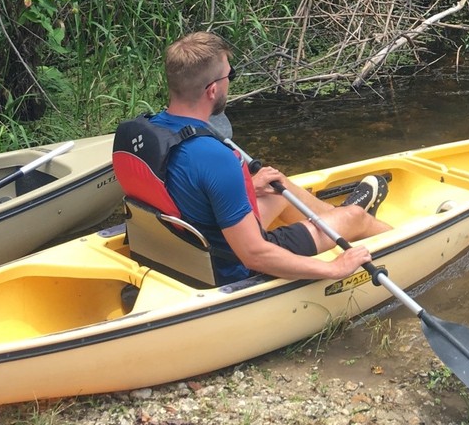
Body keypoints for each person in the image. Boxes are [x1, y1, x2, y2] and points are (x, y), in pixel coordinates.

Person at [150, 31, 390, 285]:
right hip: (229, 262)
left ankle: (337, 218)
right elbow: (255, 255)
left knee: (278, 185)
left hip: (187, 242)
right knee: (356, 217)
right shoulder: (216, 158)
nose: (230, 82)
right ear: (212, 90)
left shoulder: (149, 132)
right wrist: (333, 268)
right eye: (229, 75)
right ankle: (362, 222)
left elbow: (184, 187)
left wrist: (248, 186)